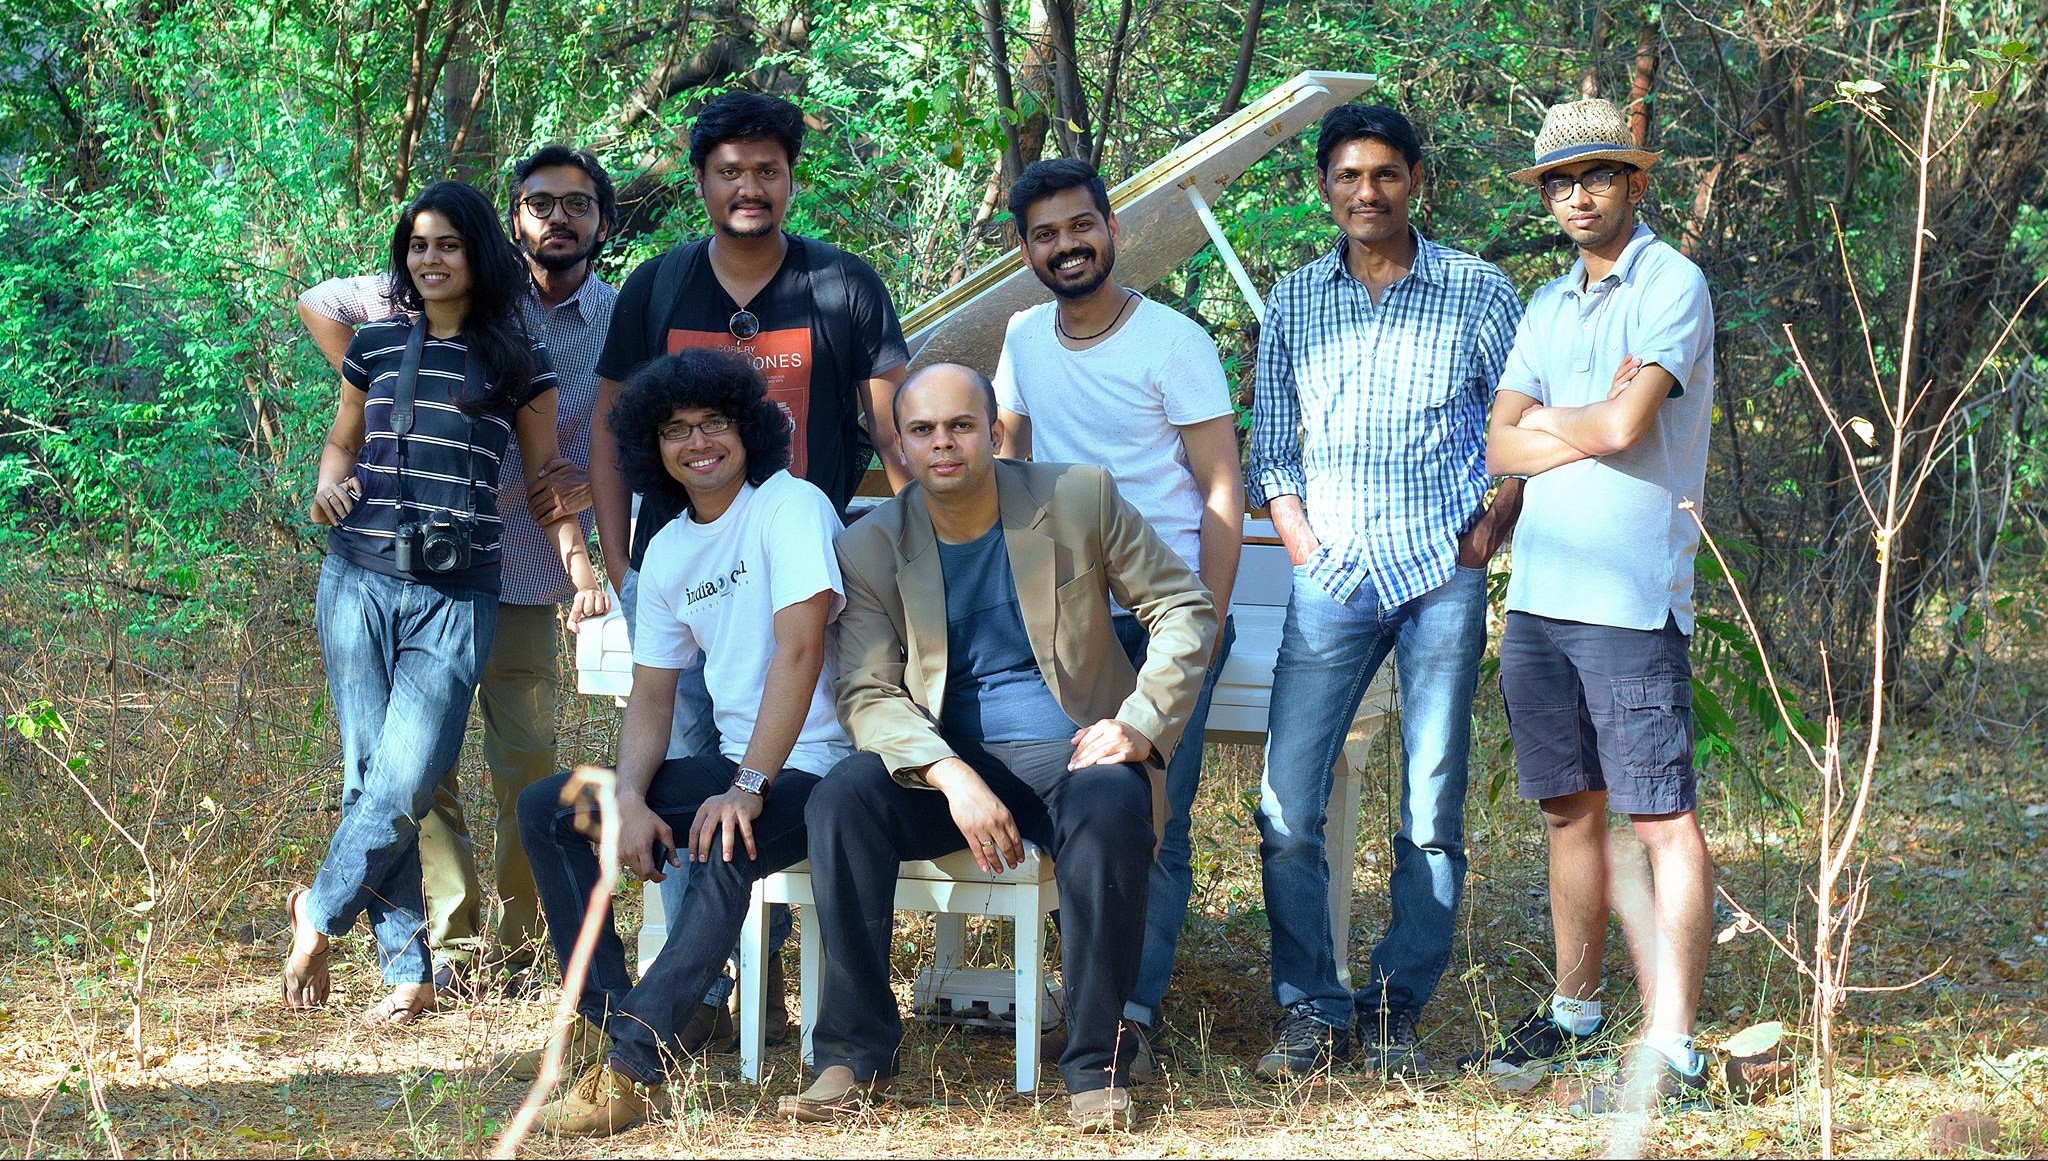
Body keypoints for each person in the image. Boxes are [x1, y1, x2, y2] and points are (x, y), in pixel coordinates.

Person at [787, 364, 1218, 1133]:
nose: (943, 443)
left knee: (1115, 798)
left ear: (996, 430)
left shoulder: (1077, 496)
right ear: (901, 443)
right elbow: (865, 689)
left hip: (1068, 748)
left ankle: (1097, 1063)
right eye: (922, 430)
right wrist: (949, 772)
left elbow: (1182, 605)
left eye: (961, 425)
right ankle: (853, 1053)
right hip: (947, 761)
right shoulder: (872, 544)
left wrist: (1141, 721)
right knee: (843, 796)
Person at [590, 92, 909, 1018]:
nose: (750, 186)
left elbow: (894, 441)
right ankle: (704, 1000)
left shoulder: (842, 285)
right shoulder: (657, 286)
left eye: (767, 169)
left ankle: (762, 994)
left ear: (790, 178)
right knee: (696, 790)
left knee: (772, 789)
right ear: (700, 183)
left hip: (814, 586)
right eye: (729, 170)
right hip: (690, 582)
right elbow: (615, 430)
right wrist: (625, 565)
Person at [283, 180, 608, 1026]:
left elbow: (544, 482)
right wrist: (326, 485)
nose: (431, 259)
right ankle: (410, 969)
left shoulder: (517, 361)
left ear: (479, 256)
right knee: (367, 776)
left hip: (459, 590)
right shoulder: (378, 341)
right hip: (356, 577)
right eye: (419, 245)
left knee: (405, 776)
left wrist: (580, 569)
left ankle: (317, 911)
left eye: (448, 245)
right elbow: (343, 435)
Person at [1245, 104, 1524, 1078]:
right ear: (1323, 188)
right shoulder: (1294, 298)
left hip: (1437, 578)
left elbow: (1519, 428)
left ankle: (1395, 1006)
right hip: (1331, 579)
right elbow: (1271, 447)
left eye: (1384, 175)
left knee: (1430, 806)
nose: (1366, 193)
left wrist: (1494, 522)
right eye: (1347, 177)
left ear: (1415, 181)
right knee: (1284, 804)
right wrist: (1299, 541)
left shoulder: (1477, 292)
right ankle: (1310, 1009)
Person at [512, 349, 853, 1135]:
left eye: (714, 423)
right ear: (651, 448)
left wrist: (750, 785)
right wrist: (628, 796)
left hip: (826, 769)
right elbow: (653, 695)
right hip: (740, 766)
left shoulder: (788, 507)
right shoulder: (666, 550)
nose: (698, 442)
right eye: (675, 430)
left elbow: (800, 652)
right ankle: (606, 1024)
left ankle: (633, 1069)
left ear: (749, 429)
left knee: (725, 835)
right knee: (551, 807)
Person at [1468, 97, 1717, 1115]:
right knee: (1569, 810)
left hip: (1627, 599)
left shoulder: (1670, 283)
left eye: (1597, 177)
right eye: (1560, 183)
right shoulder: (1547, 300)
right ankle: (1576, 1013)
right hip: (1538, 600)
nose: (1577, 197)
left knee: (1659, 819)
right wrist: (1591, 424)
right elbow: (1498, 442)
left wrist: (1561, 426)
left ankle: (1675, 1042)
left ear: (1633, 183)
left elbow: (1628, 428)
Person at [991, 157, 1243, 1073]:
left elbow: (1220, 485)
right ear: (1025, 249)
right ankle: (1082, 998)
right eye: (1046, 234)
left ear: (1113, 229)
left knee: (1156, 815)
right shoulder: (1021, 335)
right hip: (1069, 620)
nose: (1067, 246)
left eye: (1080, 226)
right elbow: (1010, 468)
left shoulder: (1173, 340)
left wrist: (1204, 619)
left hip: (1168, 610)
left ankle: (1129, 1016)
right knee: (1084, 810)